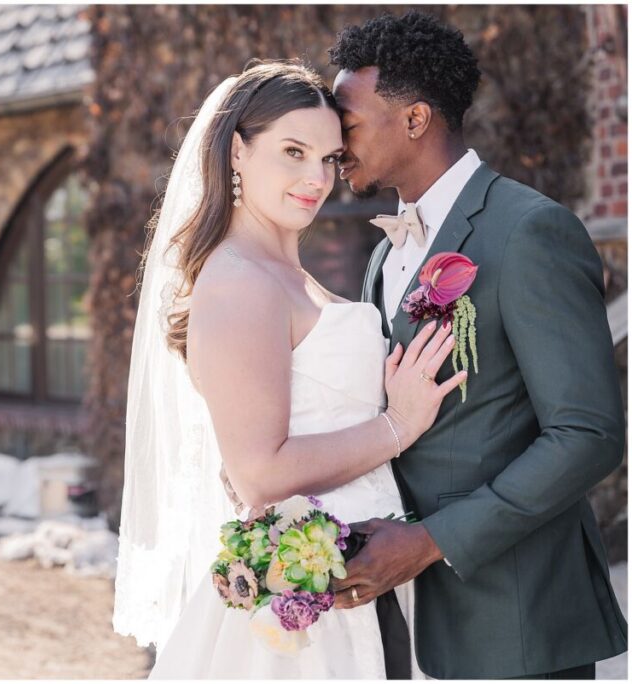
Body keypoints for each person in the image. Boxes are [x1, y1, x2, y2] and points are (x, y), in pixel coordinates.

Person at [113, 59, 466, 679]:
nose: (316, 178)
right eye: (293, 152)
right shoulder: (239, 280)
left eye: (330, 158)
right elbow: (259, 474)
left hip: (359, 565)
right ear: (237, 152)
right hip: (308, 597)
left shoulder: (282, 273)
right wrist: (398, 426)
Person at [322, 11, 627, 679]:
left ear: (415, 119)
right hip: (409, 617)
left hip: (516, 617)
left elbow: (588, 435)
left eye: (348, 123)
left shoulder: (529, 231)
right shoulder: (385, 255)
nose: (335, 144)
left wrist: (431, 540)